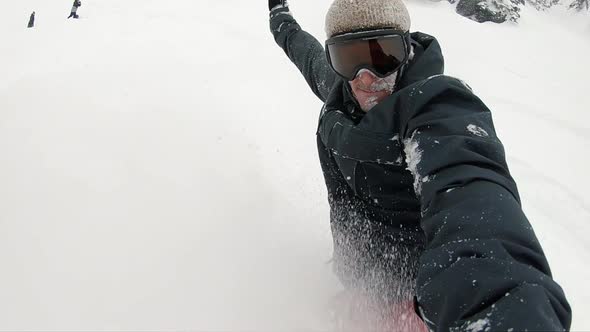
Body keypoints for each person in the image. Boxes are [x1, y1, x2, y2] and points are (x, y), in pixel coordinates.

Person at [268, 0, 572, 331]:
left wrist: (499, 307)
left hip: (422, 296)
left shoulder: (437, 108)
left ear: (406, 51)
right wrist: (279, 15)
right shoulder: (342, 96)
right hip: (361, 278)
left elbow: (472, 199)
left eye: (382, 56)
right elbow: (304, 52)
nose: (366, 77)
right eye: (348, 58)